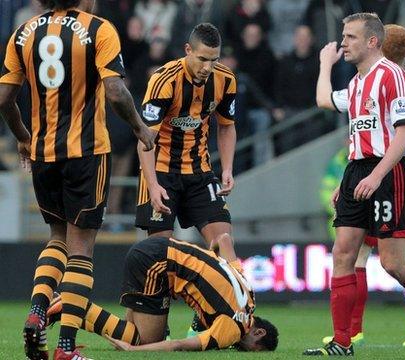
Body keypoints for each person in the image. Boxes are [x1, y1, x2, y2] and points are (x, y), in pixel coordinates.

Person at [0, 0, 155, 359]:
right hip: (86, 153)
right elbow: (115, 92)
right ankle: (66, 347)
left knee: (56, 238)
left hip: (43, 154)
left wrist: (24, 136)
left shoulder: (23, 32)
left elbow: (4, 97)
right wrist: (138, 127)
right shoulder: (99, 28)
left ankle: (39, 311)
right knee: (81, 250)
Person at [305, 13, 405, 357]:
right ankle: (342, 342)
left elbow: (404, 134)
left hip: (389, 172)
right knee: (343, 252)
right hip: (358, 170)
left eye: (351, 37)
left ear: (373, 41)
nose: (343, 43)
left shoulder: (395, 78)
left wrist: (376, 175)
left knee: (394, 264)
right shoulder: (358, 82)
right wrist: (325, 65)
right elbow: (325, 101)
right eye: (343, 36)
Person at [46, 235, 278, 352]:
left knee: (131, 332)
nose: (239, 349)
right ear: (258, 332)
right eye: (254, 350)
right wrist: (135, 351)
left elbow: (224, 239)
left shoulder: (249, 294)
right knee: (143, 340)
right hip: (156, 264)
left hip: (158, 250)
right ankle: (69, 305)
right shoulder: (233, 330)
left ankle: (67, 309)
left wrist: (210, 264)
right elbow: (179, 344)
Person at [135, 23, 236, 252]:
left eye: (215, 60)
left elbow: (227, 127)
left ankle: (232, 286)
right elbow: (145, 141)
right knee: (159, 252)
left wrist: (227, 168)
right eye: (202, 59)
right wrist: (152, 185)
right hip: (161, 172)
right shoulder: (164, 80)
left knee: (224, 244)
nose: (208, 67)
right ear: (188, 50)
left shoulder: (226, 79)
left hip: (199, 171)